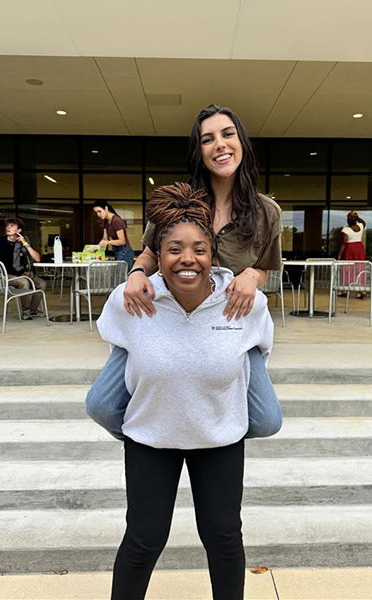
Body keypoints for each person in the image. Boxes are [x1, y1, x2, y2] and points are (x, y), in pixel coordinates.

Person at [96, 183, 274, 600]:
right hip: (151, 440)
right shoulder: (131, 303)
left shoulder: (247, 306)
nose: (187, 259)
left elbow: (258, 362)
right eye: (174, 249)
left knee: (224, 539)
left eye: (199, 248)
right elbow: (111, 385)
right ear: (158, 256)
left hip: (219, 439)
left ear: (213, 254)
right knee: (143, 541)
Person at [86, 104, 282, 441]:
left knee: (267, 420)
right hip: (163, 319)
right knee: (101, 404)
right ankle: (155, 435)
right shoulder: (176, 202)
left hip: (229, 323)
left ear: (242, 143)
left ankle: (210, 431)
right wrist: (135, 274)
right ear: (200, 151)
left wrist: (251, 276)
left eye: (227, 134)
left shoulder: (267, 212)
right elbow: (150, 253)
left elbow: (264, 267)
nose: (219, 144)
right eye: (208, 139)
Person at [0, 218, 46, 320]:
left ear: (19, 230)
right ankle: (25, 311)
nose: (8, 228)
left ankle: (33, 310)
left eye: (12, 226)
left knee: (41, 283)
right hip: (5, 275)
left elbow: (37, 258)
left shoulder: (23, 242)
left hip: (20, 273)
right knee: (24, 282)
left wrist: (26, 244)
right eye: (7, 226)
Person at [93, 200, 134, 271]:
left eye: (99, 211)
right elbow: (104, 239)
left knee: (123, 278)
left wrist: (108, 242)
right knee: (119, 277)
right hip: (117, 252)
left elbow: (122, 241)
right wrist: (96, 248)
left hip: (125, 253)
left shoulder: (116, 221)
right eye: (96, 212)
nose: (98, 214)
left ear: (106, 208)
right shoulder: (106, 221)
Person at [337, 210, 367, 298]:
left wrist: (339, 254)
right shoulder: (360, 226)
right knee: (359, 268)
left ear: (348, 220)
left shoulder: (345, 230)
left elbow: (344, 242)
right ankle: (362, 291)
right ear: (356, 220)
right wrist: (358, 218)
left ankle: (344, 289)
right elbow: (364, 222)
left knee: (347, 269)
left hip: (350, 249)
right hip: (359, 247)